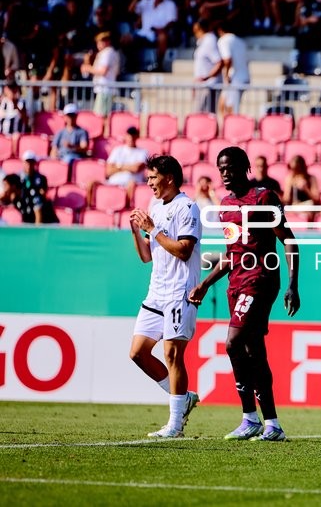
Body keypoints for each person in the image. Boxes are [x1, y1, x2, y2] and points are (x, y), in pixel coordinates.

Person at [189, 146, 300, 441]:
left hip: (260, 279)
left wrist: (293, 284)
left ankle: (250, 416)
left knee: (233, 343)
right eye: (221, 169)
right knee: (253, 351)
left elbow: (288, 240)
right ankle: (270, 424)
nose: (225, 174)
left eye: (230, 167)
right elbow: (231, 253)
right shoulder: (226, 205)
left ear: (244, 167)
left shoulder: (263, 198)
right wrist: (205, 283)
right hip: (236, 283)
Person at [128, 155, 201, 438]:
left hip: (179, 292)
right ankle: (183, 398)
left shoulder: (187, 207)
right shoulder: (155, 207)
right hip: (156, 292)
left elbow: (184, 250)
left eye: (153, 177)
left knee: (172, 355)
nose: (149, 183)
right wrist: (136, 231)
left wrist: (152, 229)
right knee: (137, 353)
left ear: (169, 178)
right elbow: (147, 256)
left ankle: (175, 425)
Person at [128, 0, 178, 70]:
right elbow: (131, 10)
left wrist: (162, 29)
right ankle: (131, 65)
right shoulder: (146, 2)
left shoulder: (170, 4)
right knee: (125, 39)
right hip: (144, 33)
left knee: (162, 38)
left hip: (160, 32)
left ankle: (159, 65)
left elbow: (172, 22)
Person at [4, 151, 58, 224]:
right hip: (30, 224)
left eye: (31, 163)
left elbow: (38, 213)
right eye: (27, 163)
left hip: (47, 224)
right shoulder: (16, 194)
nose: (29, 166)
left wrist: (36, 230)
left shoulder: (34, 190)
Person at [80, 31, 120, 117]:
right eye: (98, 42)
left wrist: (88, 68)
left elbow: (103, 71)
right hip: (103, 89)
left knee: (101, 116)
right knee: (101, 116)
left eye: (102, 41)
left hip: (105, 89)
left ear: (108, 41)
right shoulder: (106, 53)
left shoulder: (108, 52)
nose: (99, 44)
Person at [105, 126, 148, 200]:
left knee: (131, 184)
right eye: (129, 136)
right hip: (113, 182)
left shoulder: (143, 152)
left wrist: (118, 166)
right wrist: (129, 167)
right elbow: (108, 171)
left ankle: (127, 205)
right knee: (92, 183)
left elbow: (136, 168)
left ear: (137, 137)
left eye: (133, 136)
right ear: (126, 136)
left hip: (131, 184)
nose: (131, 138)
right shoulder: (117, 150)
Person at [217, 22, 250, 116]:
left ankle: (231, 125)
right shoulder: (241, 42)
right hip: (242, 77)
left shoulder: (223, 40)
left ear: (220, 30)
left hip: (234, 79)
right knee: (223, 106)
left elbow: (227, 59)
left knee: (230, 110)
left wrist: (226, 75)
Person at [192, 19, 222, 114]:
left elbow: (219, 62)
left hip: (208, 86)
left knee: (206, 115)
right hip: (203, 86)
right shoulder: (203, 42)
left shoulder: (210, 41)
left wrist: (207, 78)